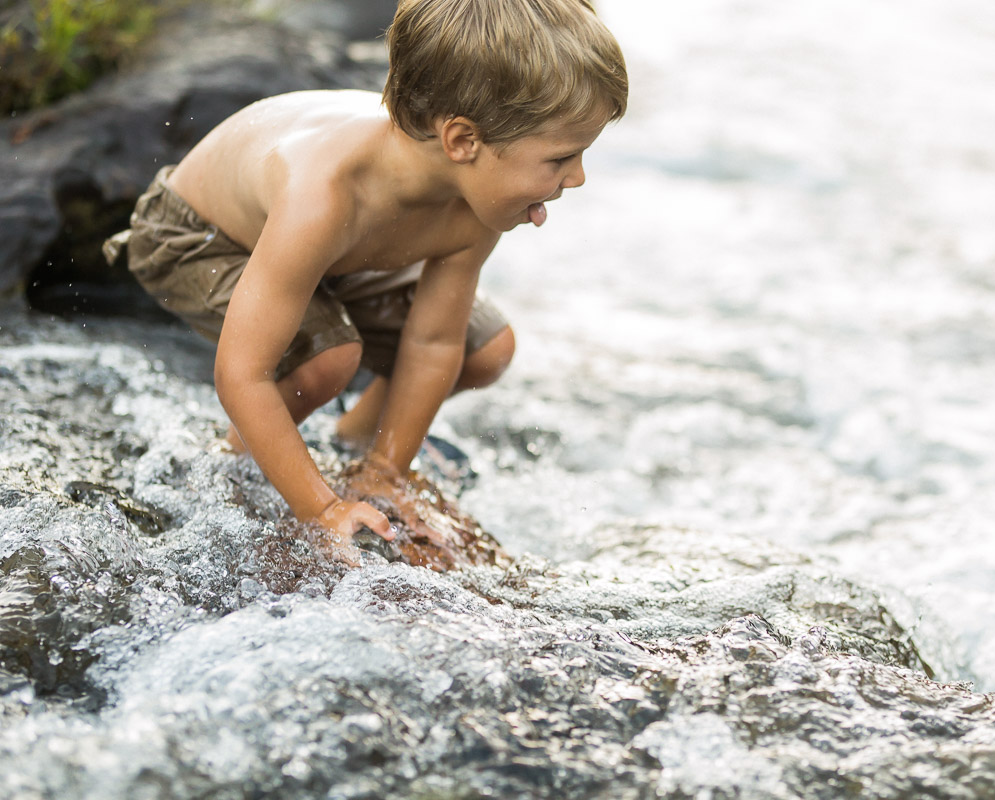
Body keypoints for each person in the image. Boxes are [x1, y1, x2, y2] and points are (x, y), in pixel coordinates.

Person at [103, 0, 627, 562]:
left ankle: (353, 448)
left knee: (487, 349)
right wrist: (322, 511)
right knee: (329, 357)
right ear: (462, 141)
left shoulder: (473, 198)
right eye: (561, 158)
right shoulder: (324, 194)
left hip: (341, 255)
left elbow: (433, 341)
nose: (578, 177)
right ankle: (230, 469)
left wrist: (386, 473)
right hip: (201, 234)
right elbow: (241, 371)